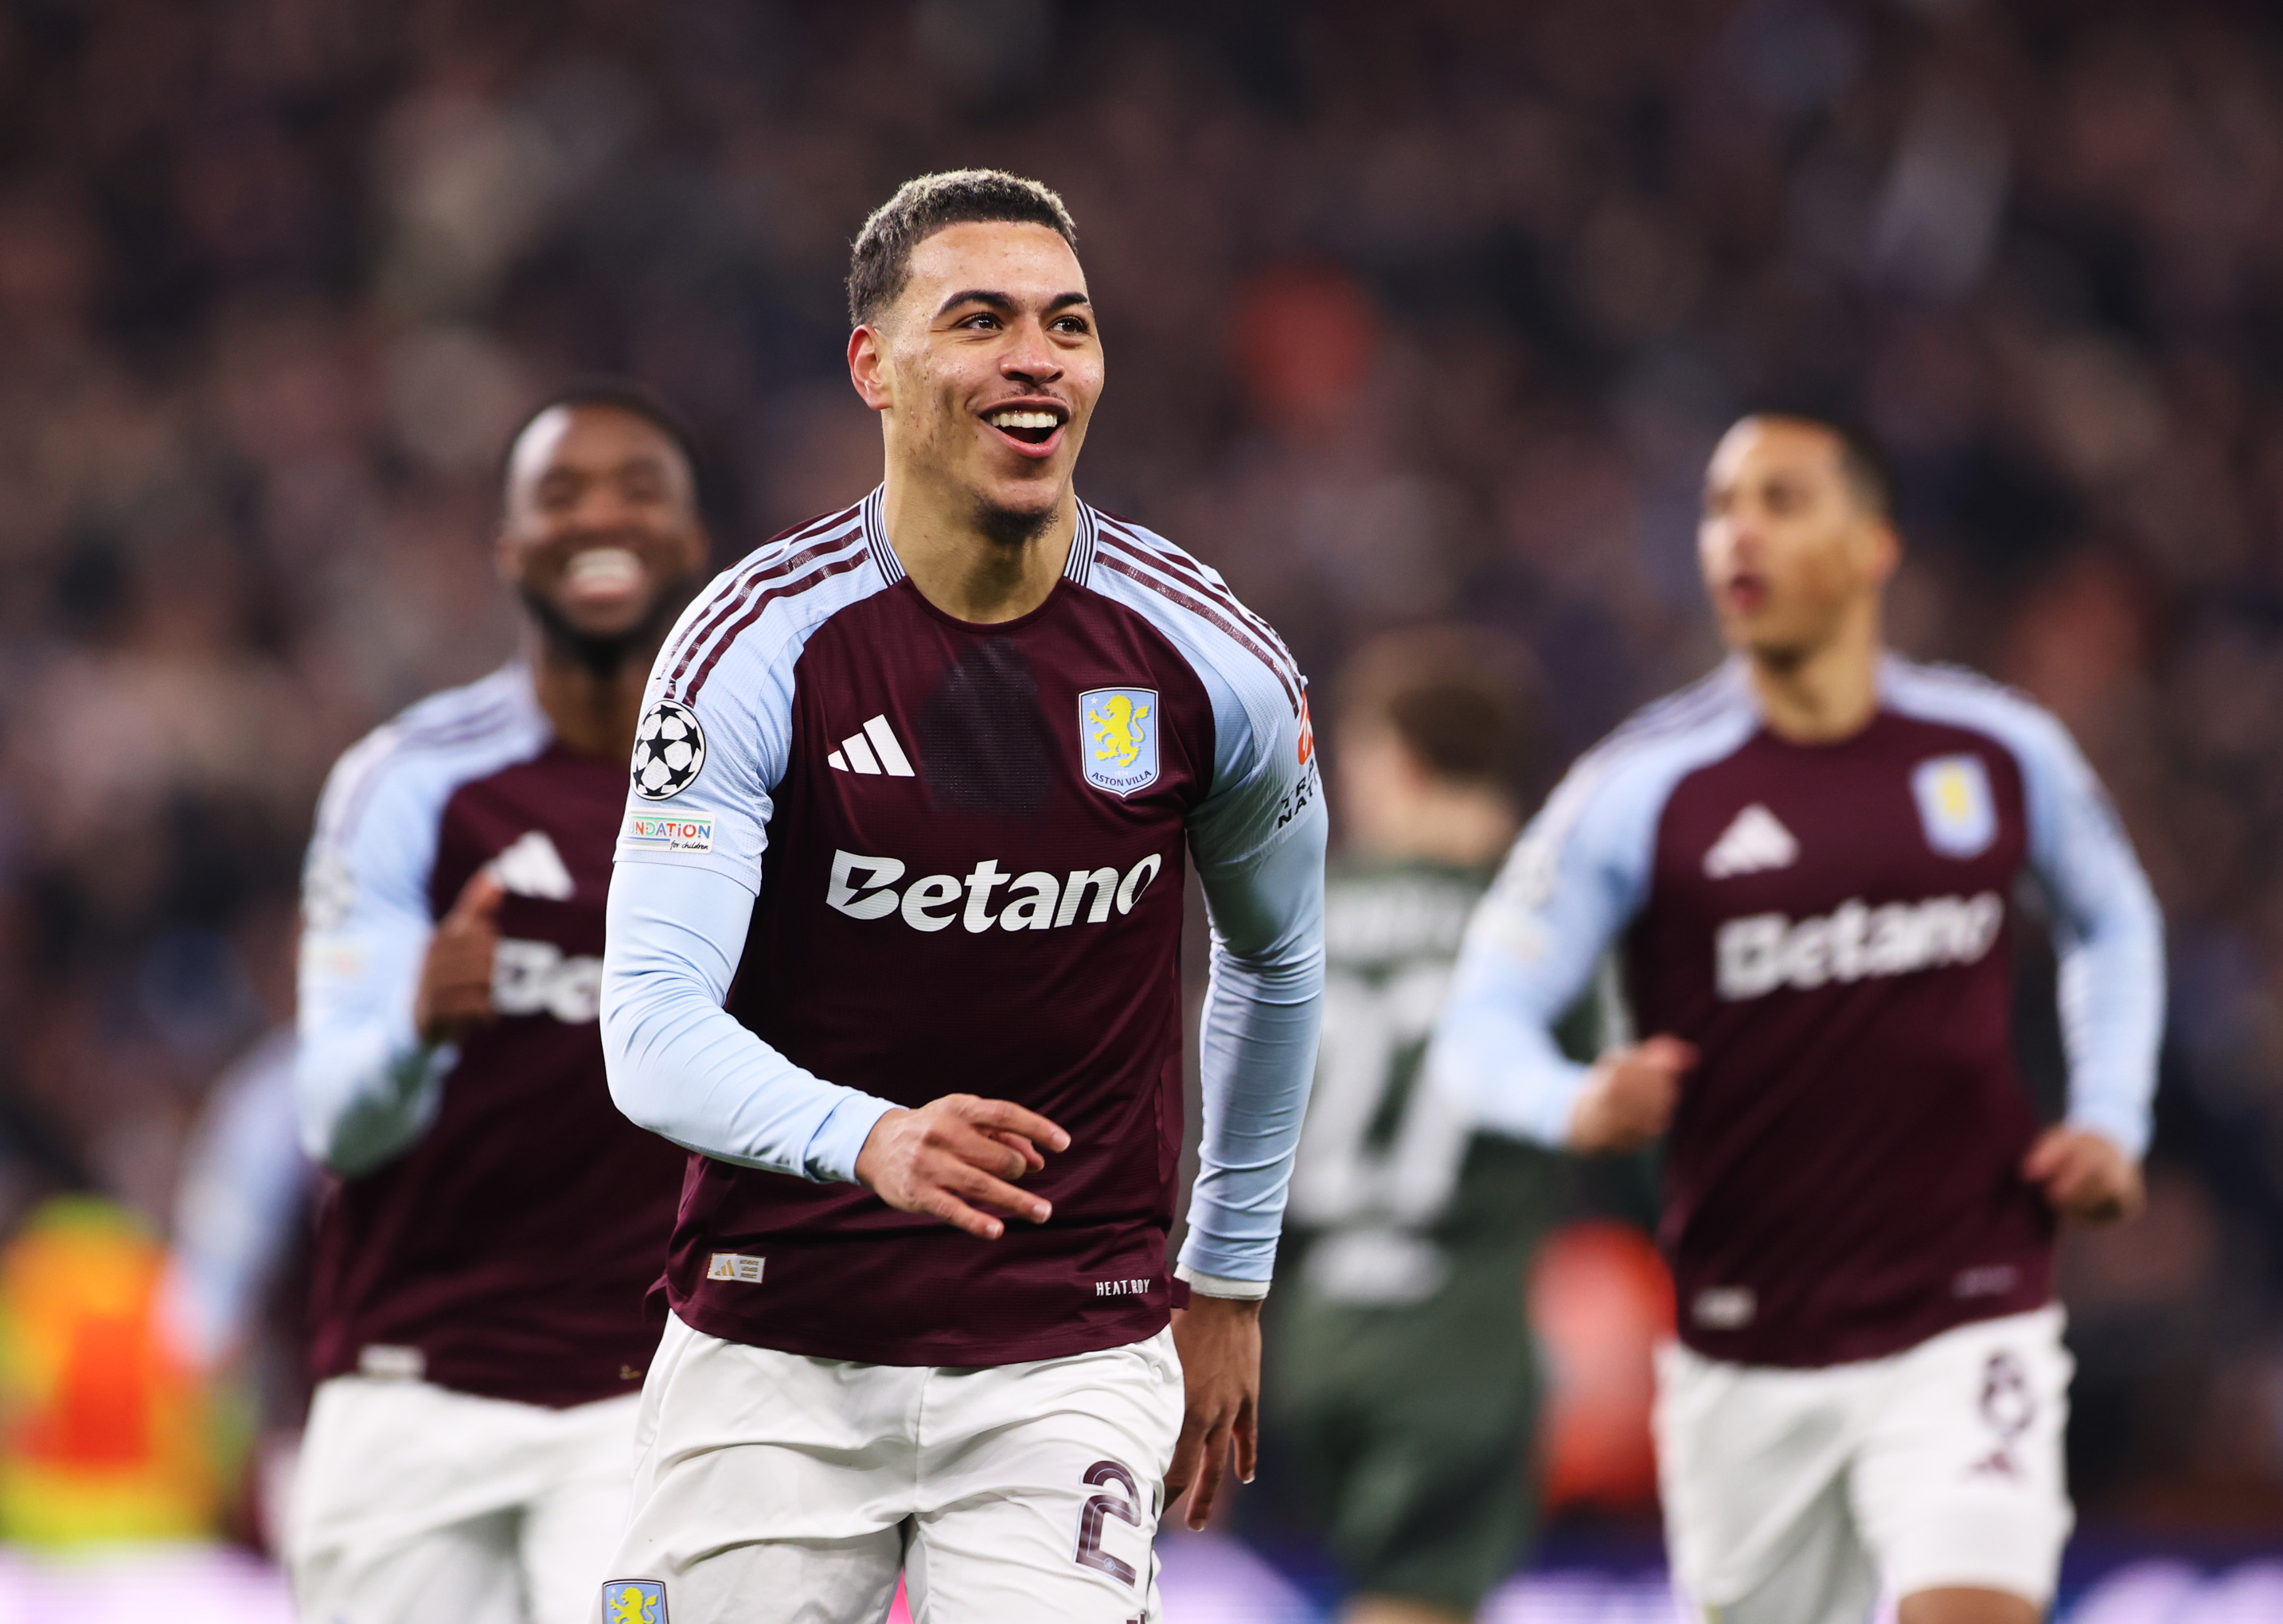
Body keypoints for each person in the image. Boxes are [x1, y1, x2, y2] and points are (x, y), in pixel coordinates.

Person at [596, 169, 1326, 1624]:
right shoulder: (752, 650)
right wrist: (866, 1138)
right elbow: (649, 1026)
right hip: (775, 1336)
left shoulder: (1214, 661)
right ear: (875, 365)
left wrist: (1229, 1274)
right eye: (981, 319)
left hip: (1070, 1345)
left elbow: (1278, 962)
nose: (1036, 358)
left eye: (1068, 324)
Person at [1428, 412, 2164, 1624]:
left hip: (1968, 1311)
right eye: (1720, 507)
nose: (1738, 535)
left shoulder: (1995, 750)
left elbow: (2114, 918)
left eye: (1781, 500)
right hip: (1742, 1345)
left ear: (1875, 543)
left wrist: (2112, 1116)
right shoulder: (1639, 789)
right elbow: (1482, 1023)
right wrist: (1575, 1100)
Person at [288, 384, 708, 1624]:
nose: (600, 518)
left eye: (637, 489)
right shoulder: (411, 786)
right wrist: (415, 1033)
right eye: (561, 495)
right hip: (412, 1390)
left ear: (693, 543)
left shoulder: (759, 796)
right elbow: (332, 1121)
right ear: (510, 546)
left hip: (649, 1403)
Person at [1266, 629, 1595, 1624]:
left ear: (1399, 759)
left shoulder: (1302, 915)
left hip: (1308, 1337)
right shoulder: (1546, 927)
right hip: (1457, 1338)